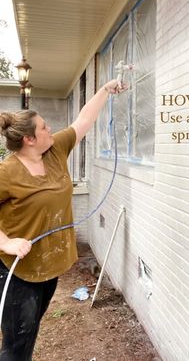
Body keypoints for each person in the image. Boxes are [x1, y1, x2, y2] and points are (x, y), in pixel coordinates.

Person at [0, 79, 125, 361]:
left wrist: (105, 90)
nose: (50, 129)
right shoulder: (6, 173)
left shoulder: (54, 151)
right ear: (29, 139)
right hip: (19, 271)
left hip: (50, 267)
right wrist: (6, 242)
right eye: (44, 127)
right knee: (16, 347)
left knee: (30, 333)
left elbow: (83, 120)